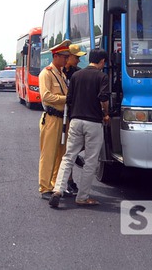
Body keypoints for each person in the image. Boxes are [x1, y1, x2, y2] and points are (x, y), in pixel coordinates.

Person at [49, 48, 110, 208]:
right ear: (102, 62)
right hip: (93, 123)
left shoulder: (76, 76)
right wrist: (106, 113)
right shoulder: (102, 76)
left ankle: (57, 190)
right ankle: (82, 197)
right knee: (90, 161)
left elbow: (69, 99)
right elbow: (103, 98)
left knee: (68, 156)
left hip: (75, 120)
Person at [38, 39, 71, 200]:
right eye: (64, 57)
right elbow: (46, 96)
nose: (66, 60)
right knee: (49, 153)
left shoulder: (61, 74)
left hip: (63, 119)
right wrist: (67, 98)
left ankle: (55, 185)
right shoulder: (46, 73)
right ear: (56, 56)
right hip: (51, 118)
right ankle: (45, 187)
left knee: (61, 154)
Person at [62, 43, 88, 193]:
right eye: (76, 57)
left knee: (73, 148)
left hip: (74, 114)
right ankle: (68, 181)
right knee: (65, 151)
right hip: (60, 116)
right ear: (68, 57)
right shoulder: (57, 73)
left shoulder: (77, 73)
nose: (79, 60)